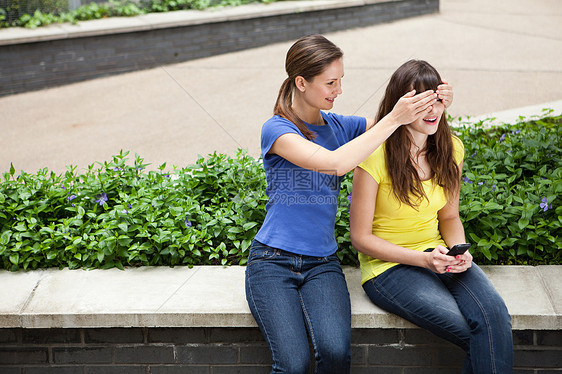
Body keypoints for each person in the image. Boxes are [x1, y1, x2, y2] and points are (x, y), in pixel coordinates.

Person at [244, 35, 453, 373]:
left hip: (322, 264)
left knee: (336, 353)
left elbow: (403, 129)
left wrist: (437, 104)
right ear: (301, 82)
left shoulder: (340, 126)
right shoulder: (278, 130)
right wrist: (393, 119)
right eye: (330, 82)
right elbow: (336, 163)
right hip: (272, 262)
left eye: (340, 80)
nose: (338, 90)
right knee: (293, 364)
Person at [349, 59, 513, 373]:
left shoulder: (451, 148)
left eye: (436, 99)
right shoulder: (373, 154)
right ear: (401, 106)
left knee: (494, 317)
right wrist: (424, 260)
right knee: (476, 334)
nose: (432, 109)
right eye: (421, 101)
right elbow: (361, 238)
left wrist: (461, 252)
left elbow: (449, 217)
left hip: (439, 254)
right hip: (389, 267)